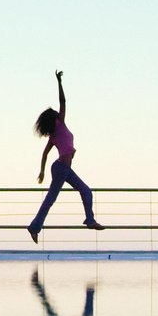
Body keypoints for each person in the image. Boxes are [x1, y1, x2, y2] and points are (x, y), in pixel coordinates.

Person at [28, 70, 105, 244]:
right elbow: (63, 101)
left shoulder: (56, 132)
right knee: (51, 198)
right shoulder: (59, 124)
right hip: (61, 168)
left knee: (86, 191)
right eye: (56, 112)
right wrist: (59, 82)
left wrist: (42, 171)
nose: (58, 112)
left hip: (64, 168)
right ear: (55, 118)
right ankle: (34, 227)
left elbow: (45, 153)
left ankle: (90, 220)